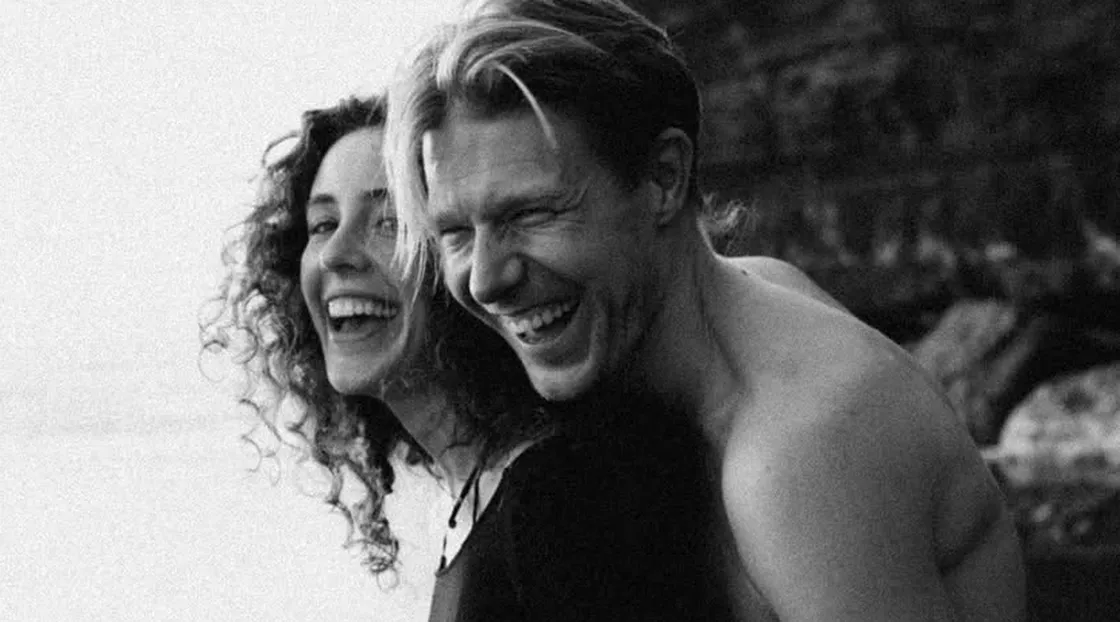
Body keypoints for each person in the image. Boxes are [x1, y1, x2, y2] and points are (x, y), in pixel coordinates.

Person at [383, 1, 1029, 620]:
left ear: (664, 178)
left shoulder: (795, 455)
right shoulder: (755, 292)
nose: (485, 279)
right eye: (455, 233)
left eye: (531, 213)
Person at [202, 95, 734, 621]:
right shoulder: (485, 493)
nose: (336, 254)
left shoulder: (564, 500)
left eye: (390, 221)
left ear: (466, 258)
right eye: (322, 225)